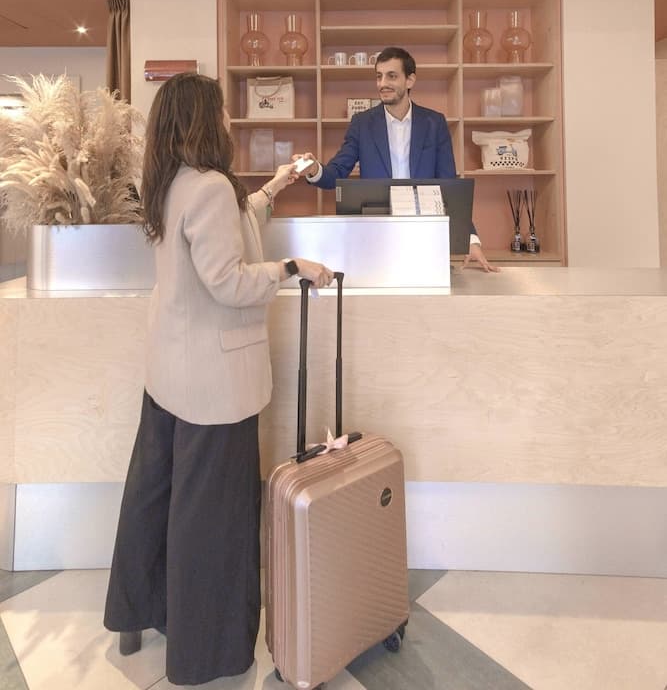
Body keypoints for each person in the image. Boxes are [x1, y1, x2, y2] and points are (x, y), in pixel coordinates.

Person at [104, 72, 333, 685]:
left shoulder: (174, 182)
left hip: (171, 374)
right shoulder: (207, 187)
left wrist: (275, 186)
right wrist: (290, 267)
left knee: (156, 498)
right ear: (204, 119)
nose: (230, 121)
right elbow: (228, 281)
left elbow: (229, 223)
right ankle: (206, 653)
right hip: (215, 382)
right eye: (224, 112)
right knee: (213, 519)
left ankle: (140, 611)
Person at [296, 46, 499, 272]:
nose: (382, 83)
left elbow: (448, 185)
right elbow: (337, 172)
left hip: (425, 237)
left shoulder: (435, 123)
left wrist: (470, 239)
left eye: (391, 76)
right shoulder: (362, 123)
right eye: (379, 76)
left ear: (410, 80)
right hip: (375, 235)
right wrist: (314, 169)